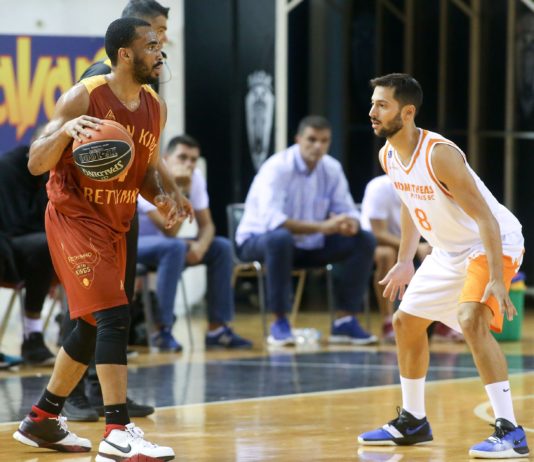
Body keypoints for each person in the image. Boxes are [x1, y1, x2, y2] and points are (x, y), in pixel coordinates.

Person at [13, 17, 192, 460]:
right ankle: (117, 430)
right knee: (113, 314)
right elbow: (35, 162)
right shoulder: (84, 95)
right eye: (151, 45)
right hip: (74, 218)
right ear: (125, 54)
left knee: (93, 325)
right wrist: (64, 132)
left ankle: (42, 418)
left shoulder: (155, 107)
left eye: (160, 44)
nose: (160, 52)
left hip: (115, 220)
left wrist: (165, 198)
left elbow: (141, 172)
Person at [358, 73, 528, 458]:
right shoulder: (388, 155)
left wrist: (498, 278)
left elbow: (486, 218)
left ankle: (511, 432)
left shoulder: (439, 154)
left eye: (382, 105)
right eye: (372, 103)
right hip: (447, 250)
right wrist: (405, 260)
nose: (372, 112)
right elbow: (408, 202)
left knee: (471, 320)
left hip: (491, 242)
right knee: (405, 322)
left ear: (407, 112)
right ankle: (413, 421)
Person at [62, 0, 182, 421]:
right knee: (87, 308)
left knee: (117, 306)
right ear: (132, 36)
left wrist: (168, 192)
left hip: (121, 209)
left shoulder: (149, 92)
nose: (163, 40)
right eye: (157, 31)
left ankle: (103, 392)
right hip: (83, 212)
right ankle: (74, 396)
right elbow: (81, 146)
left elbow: (146, 156)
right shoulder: (98, 81)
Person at [236, 115, 377, 346]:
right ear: (298, 139)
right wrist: (323, 226)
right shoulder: (277, 167)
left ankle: (345, 320)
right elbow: (274, 221)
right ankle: (279, 322)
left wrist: (350, 223)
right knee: (280, 239)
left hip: (308, 244)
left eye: (324, 141)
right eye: (312, 139)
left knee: (364, 240)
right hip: (257, 241)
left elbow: (347, 209)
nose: (318, 146)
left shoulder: (331, 168)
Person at [137, 134, 253, 350]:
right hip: (135, 244)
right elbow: (170, 230)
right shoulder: (151, 175)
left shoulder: (195, 177)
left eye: (193, 159)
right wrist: (180, 190)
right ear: (166, 158)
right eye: (182, 157)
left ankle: (217, 329)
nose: (189, 164)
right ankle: (162, 330)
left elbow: (207, 226)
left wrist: (200, 247)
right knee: (175, 246)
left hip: (170, 245)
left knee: (221, 247)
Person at [360, 174, 461, 343]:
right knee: (387, 255)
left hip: (410, 242)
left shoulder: (425, 185)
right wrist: (415, 249)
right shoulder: (378, 187)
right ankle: (388, 321)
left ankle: (443, 321)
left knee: (446, 252)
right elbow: (378, 233)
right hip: (376, 243)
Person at [0, 133, 56, 366]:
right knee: (43, 244)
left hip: (28, 244)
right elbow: (13, 224)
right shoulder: (8, 168)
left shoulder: (53, 172)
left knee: (51, 245)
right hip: (8, 240)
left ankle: (35, 337)